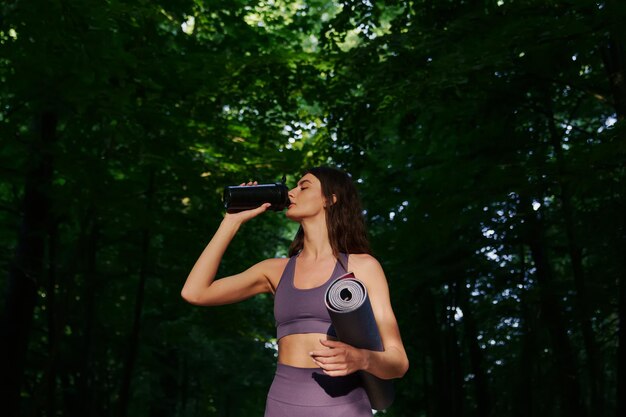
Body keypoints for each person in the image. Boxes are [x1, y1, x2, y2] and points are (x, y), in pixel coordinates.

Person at [181, 166, 409, 416]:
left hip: (343, 406)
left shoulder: (364, 267)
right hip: (282, 403)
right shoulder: (274, 270)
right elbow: (195, 292)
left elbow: (398, 362)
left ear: (330, 199)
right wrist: (231, 222)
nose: (291, 192)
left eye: (304, 186)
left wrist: (361, 358)